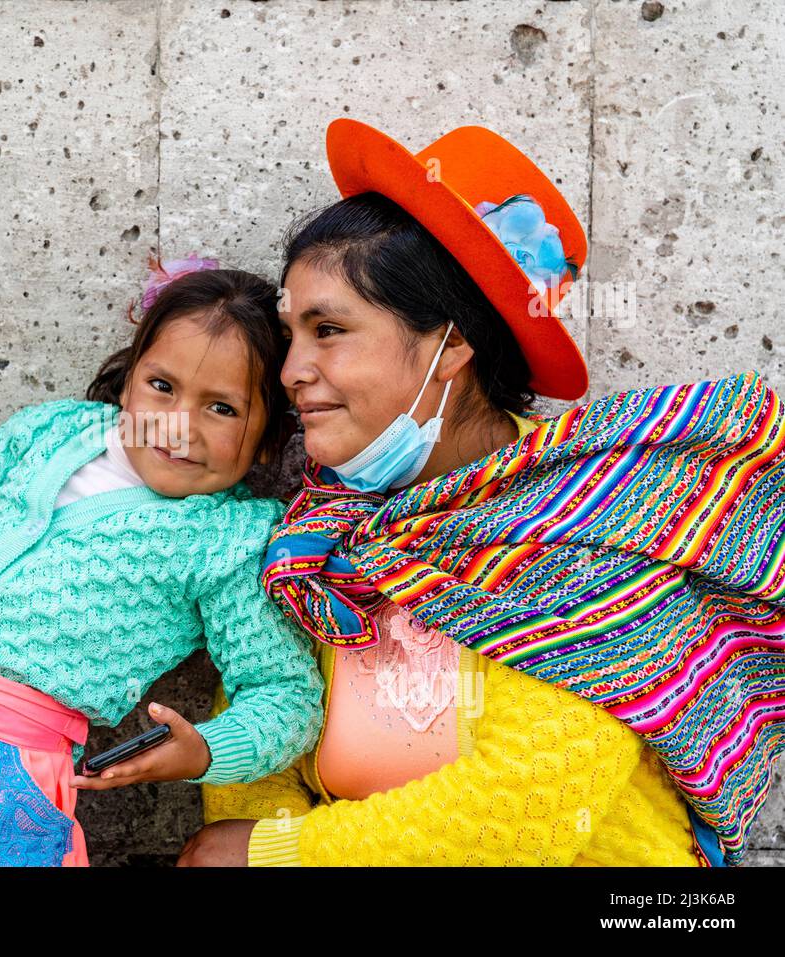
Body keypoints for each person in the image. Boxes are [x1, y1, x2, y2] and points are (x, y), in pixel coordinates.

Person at [180, 120, 785, 867]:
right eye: (290, 334)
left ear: (453, 344)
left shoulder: (588, 537)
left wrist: (282, 853)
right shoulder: (319, 543)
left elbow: (523, 811)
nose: (291, 370)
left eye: (328, 329)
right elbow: (257, 726)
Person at [0, 261, 324, 866]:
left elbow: (287, 694)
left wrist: (205, 750)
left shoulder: (228, 539)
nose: (177, 425)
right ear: (130, 379)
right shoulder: (46, 433)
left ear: (268, 437)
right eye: (162, 386)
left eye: (222, 408)